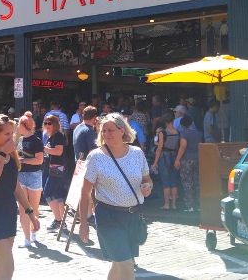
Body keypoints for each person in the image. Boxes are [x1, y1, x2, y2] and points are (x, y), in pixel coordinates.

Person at [78, 113, 153, 280]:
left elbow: (147, 179)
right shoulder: (96, 157)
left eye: (110, 130)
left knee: (119, 264)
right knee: (126, 264)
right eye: (103, 131)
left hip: (133, 215)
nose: (106, 134)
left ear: (122, 131)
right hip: (108, 216)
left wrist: (147, 187)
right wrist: (83, 222)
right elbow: (84, 192)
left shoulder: (137, 153)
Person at [0, 114, 40, 279]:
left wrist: (30, 213)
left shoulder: (11, 153)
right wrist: (2, 155)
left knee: (0, 265)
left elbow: (15, 186)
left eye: (12, 134)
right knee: (8, 265)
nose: (10, 138)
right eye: (6, 134)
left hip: (9, 211)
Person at [16, 114, 43, 248]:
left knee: (33, 208)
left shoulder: (36, 140)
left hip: (34, 175)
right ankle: (26, 239)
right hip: (21, 175)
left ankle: (33, 234)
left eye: (19, 124)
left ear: (24, 126)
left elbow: (40, 159)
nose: (17, 126)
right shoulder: (20, 140)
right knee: (22, 209)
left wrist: (24, 160)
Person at [42, 114, 67, 231]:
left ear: (55, 124)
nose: (47, 125)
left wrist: (44, 149)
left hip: (57, 167)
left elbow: (58, 152)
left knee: (47, 193)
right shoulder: (50, 136)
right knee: (57, 195)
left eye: (49, 123)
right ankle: (63, 223)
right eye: (45, 123)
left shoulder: (58, 135)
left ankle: (58, 220)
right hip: (51, 167)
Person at [151, 112, 180, 210]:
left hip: (164, 157)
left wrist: (155, 162)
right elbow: (177, 146)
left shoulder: (162, 132)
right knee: (174, 181)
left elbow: (159, 148)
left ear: (165, 122)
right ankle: (174, 204)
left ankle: (167, 204)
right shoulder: (177, 132)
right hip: (174, 156)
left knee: (166, 182)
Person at [174, 114, 201, 212]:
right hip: (197, 159)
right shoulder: (198, 133)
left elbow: (183, 146)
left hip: (186, 160)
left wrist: (177, 159)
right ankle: (199, 205)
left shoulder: (184, 133)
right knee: (197, 182)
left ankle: (190, 205)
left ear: (182, 124)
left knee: (187, 182)